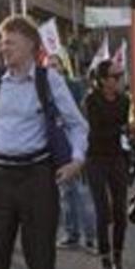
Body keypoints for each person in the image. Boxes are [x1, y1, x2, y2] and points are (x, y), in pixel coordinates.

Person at [0, 15, 89, 269]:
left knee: (41, 260)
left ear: (30, 45)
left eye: (10, 42)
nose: (3, 47)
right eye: (1, 42)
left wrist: (77, 161)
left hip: (37, 178)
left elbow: (77, 125)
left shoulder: (50, 80)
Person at [85, 59, 133, 269]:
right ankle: (105, 262)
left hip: (117, 159)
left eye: (121, 75)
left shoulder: (125, 101)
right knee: (103, 212)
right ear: (103, 80)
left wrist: (130, 135)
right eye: (115, 76)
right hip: (95, 160)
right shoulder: (91, 100)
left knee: (121, 214)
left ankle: (118, 259)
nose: (119, 79)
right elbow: (94, 132)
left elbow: (123, 131)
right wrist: (120, 130)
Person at [46, 55, 97, 254]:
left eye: (55, 65)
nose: (52, 68)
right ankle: (71, 234)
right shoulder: (43, 88)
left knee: (82, 192)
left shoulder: (73, 86)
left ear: (62, 67)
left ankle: (90, 238)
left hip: (75, 146)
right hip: (58, 146)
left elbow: (80, 116)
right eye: (49, 66)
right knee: (66, 193)